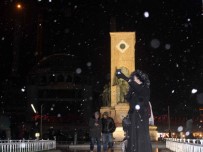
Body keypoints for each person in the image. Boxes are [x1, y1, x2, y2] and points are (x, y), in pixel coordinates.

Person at [116, 69, 152, 152]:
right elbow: (129, 99)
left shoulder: (144, 88)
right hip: (133, 116)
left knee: (141, 137)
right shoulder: (134, 90)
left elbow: (139, 92)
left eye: (135, 78)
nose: (133, 80)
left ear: (140, 79)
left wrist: (124, 77)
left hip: (141, 116)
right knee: (132, 137)